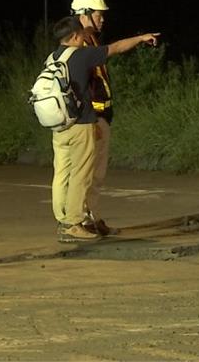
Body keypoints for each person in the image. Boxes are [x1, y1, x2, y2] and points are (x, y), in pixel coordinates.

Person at [49, 15, 160, 242]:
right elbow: (116, 48)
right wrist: (140, 38)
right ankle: (73, 224)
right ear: (74, 36)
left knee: (62, 174)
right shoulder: (82, 55)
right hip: (80, 125)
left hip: (60, 126)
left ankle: (63, 219)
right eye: (81, 34)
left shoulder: (53, 58)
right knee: (81, 175)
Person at [70, 0, 117, 236]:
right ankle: (83, 220)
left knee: (97, 173)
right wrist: (93, 120)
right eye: (99, 14)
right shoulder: (80, 44)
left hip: (102, 116)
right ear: (85, 14)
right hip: (92, 119)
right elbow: (82, 87)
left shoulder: (92, 40)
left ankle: (93, 217)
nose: (102, 19)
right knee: (88, 173)